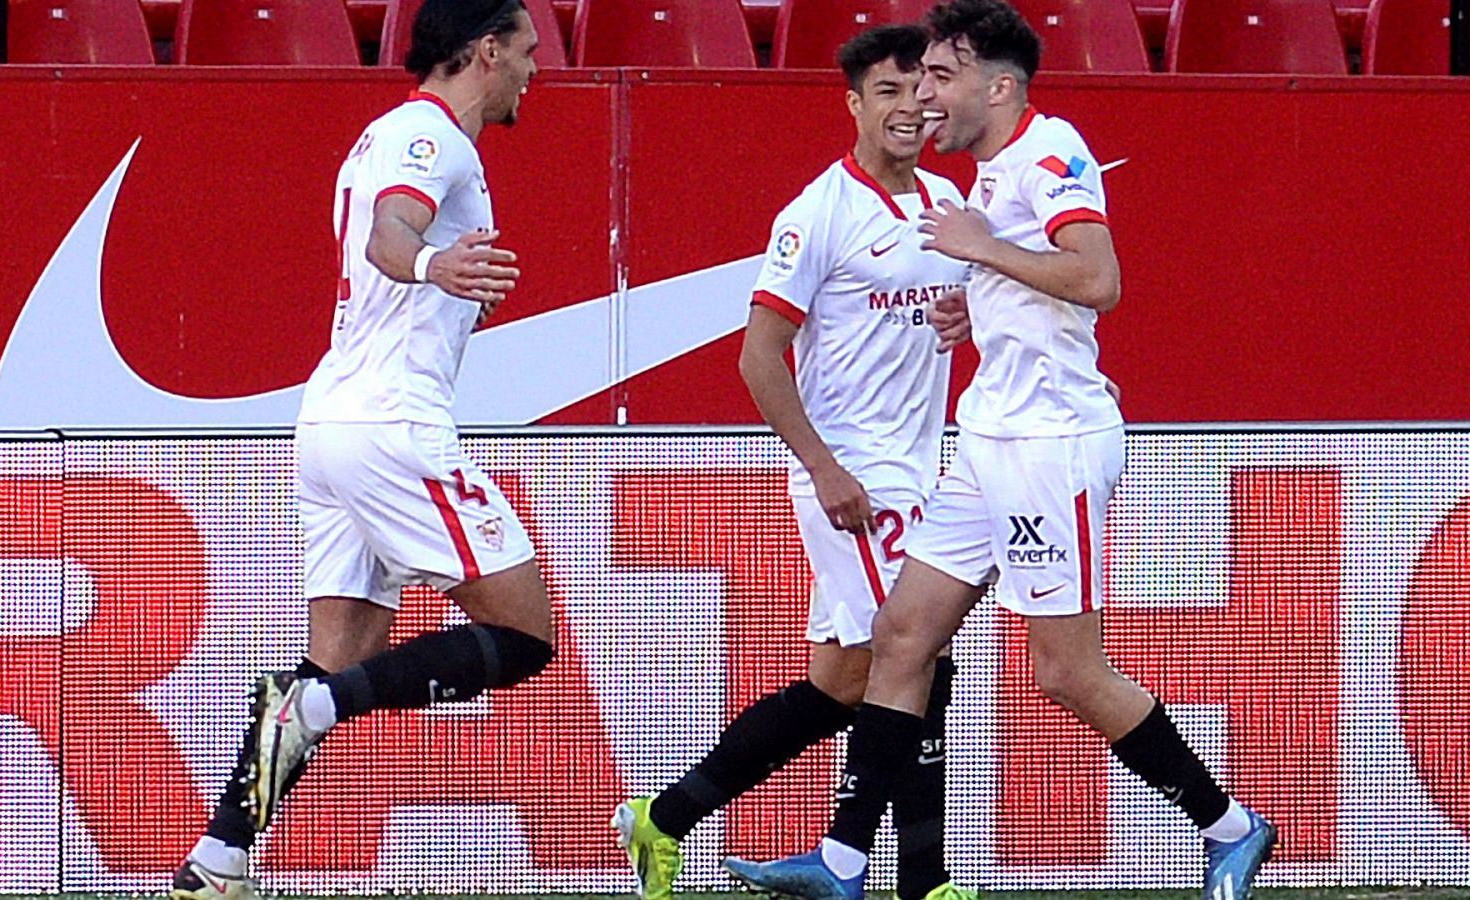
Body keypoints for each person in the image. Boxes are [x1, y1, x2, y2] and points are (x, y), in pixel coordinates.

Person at [721, 3, 1277, 900]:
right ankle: (842, 862)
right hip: (986, 437)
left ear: (999, 86)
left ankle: (1231, 825)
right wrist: (973, 304)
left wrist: (983, 253)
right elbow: (1032, 287)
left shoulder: (1051, 153)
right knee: (901, 635)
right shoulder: (983, 177)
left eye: (942, 76)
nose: (928, 96)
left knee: (1065, 670)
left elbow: (1098, 278)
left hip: (1047, 446)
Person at [170, 3, 548, 898]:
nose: (537, 71)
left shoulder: (389, 133)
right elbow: (390, 234)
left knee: (338, 654)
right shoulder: (434, 136)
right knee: (525, 634)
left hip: (332, 418)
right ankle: (318, 710)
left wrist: (448, 288)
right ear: (486, 49)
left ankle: (219, 860)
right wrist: (433, 269)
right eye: (529, 52)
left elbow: (389, 238)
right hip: (392, 425)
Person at [612, 25, 977, 900]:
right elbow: (758, 355)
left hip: (919, 470)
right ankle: (922, 882)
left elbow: (959, 315)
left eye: (919, 91)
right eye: (885, 92)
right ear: (853, 104)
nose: (908, 108)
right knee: (920, 655)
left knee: (844, 682)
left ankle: (664, 818)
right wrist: (821, 468)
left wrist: (970, 320)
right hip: (854, 478)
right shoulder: (816, 215)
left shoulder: (942, 203)